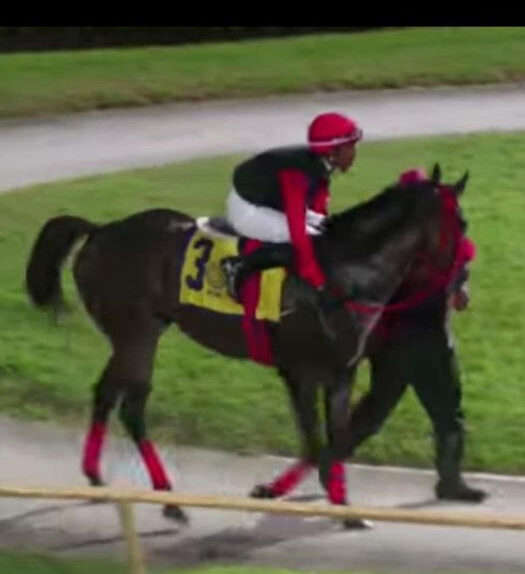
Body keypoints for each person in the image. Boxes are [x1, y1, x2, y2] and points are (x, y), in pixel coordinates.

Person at [345, 168, 487, 502]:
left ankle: (328, 460)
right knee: (447, 415)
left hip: (393, 342)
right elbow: (458, 287)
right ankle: (449, 482)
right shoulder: (432, 243)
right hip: (427, 342)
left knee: (375, 411)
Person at [220, 112, 362, 302]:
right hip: (247, 208)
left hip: (268, 202)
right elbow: (297, 228)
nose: (354, 153)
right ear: (332, 151)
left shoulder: (319, 162)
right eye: (350, 146)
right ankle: (239, 266)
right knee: (312, 239)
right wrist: (316, 278)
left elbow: (318, 205)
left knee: (327, 229)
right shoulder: (297, 173)